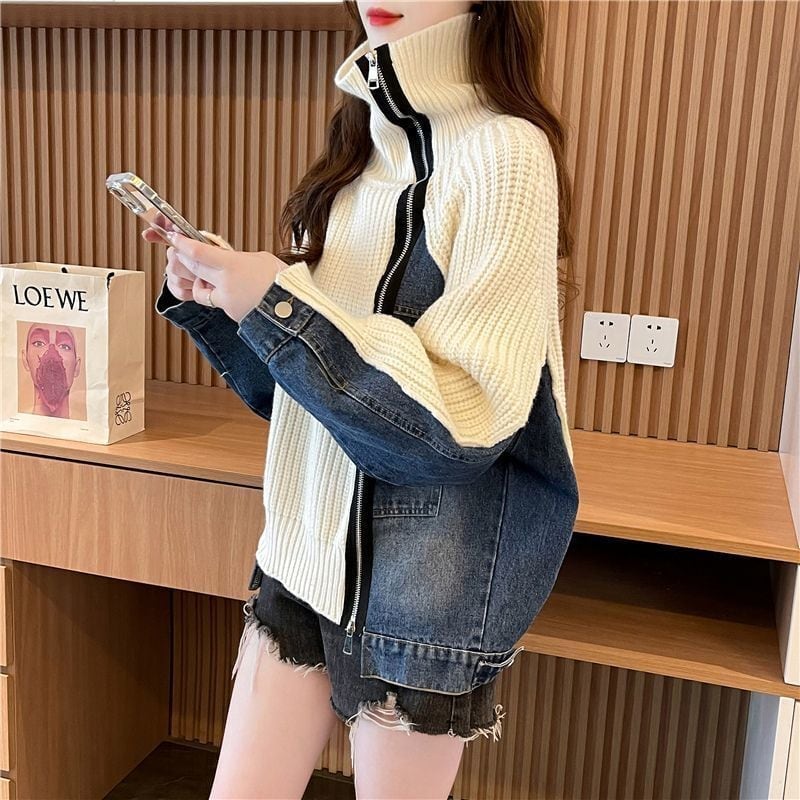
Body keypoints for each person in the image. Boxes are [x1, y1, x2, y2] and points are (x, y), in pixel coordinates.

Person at [145, 1, 580, 797]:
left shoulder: (506, 154)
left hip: (422, 585)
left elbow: (460, 422)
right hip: (301, 554)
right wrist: (231, 303)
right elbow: (317, 404)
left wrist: (278, 303)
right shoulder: (355, 161)